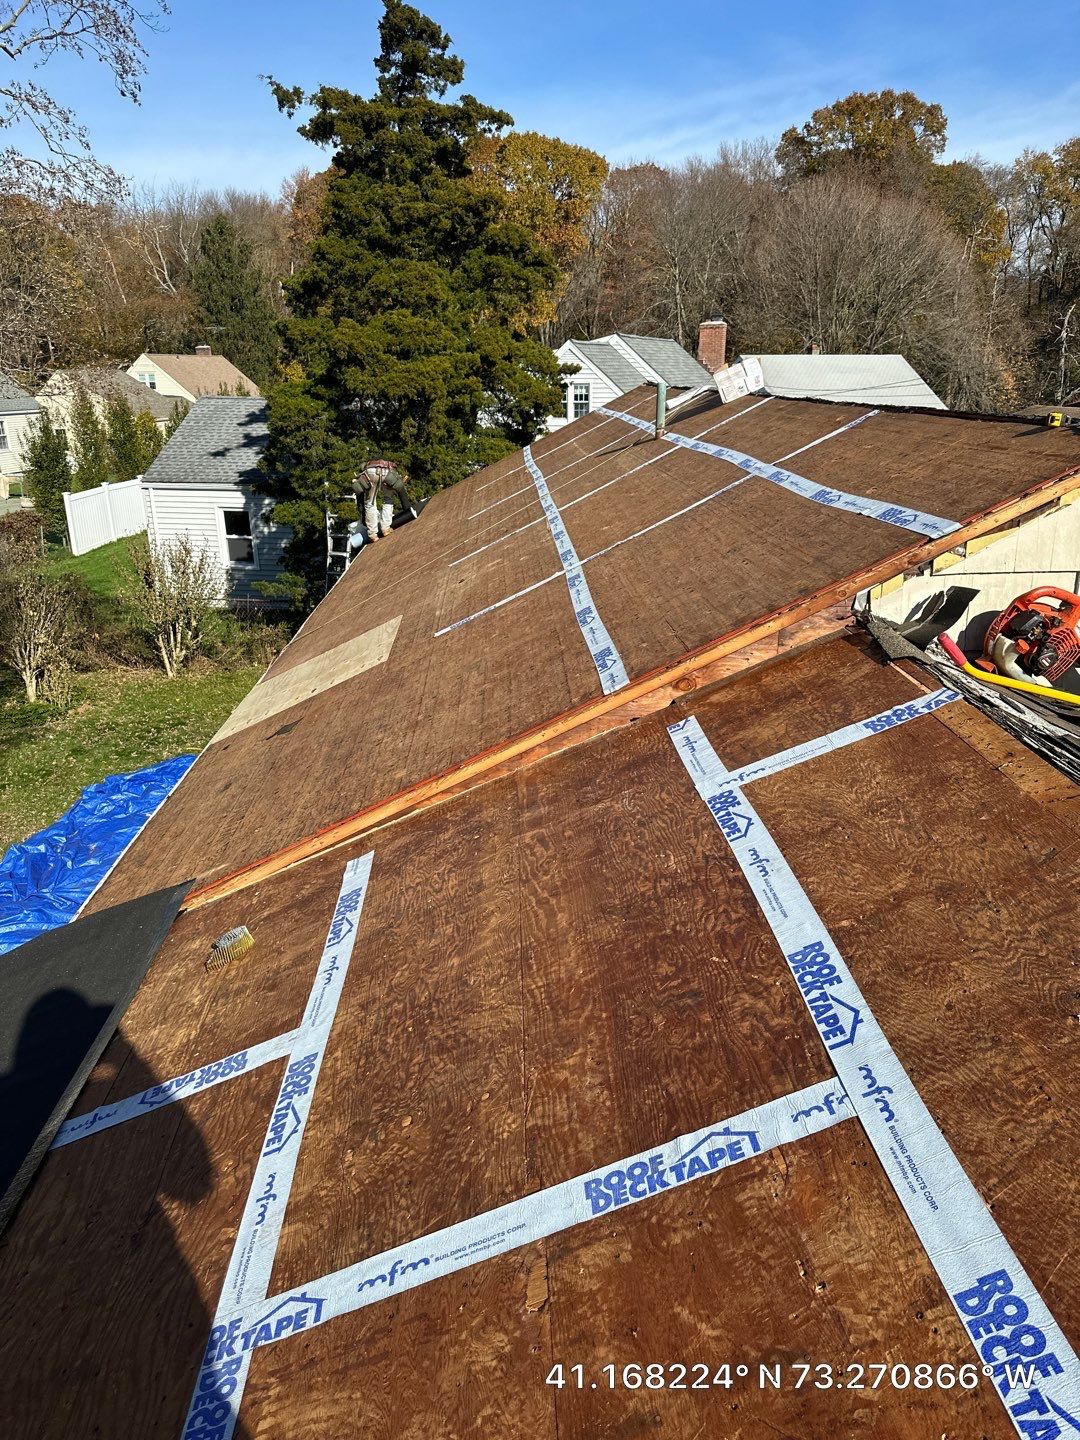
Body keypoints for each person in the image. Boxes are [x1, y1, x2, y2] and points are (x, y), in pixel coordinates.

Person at [352, 457, 416, 541]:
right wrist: (408, 511)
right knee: (388, 499)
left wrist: (363, 517)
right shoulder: (390, 467)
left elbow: (360, 499)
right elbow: (401, 490)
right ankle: (385, 529)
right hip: (387, 473)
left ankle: (373, 535)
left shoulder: (364, 475)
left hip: (371, 474)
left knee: (370, 504)